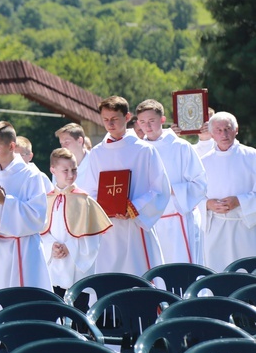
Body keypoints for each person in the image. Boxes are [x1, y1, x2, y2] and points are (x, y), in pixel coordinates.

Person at [76, 96, 170, 276]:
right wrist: (105, 209)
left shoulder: (144, 150)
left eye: (114, 119)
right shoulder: (97, 153)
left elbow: (160, 189)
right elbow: (91, 192)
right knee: (111, 278)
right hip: (109, 228)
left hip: (136, 225)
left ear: (127, 118)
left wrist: (134, 207)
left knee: (140, 275)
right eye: (105, 120)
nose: (110, 124)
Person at [0, 121, 52, 292]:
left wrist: (6, 201)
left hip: (26, 249)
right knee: (3, 301)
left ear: (12, 146)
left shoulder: (31, 175)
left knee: (30, 299)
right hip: (0, 252)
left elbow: (38, 217)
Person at [136, 99, 207, 264]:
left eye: (152, 121)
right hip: (150, 222)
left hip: (178, 219)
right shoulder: (139, 150)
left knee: (183, 270)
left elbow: (200, 183)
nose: (147, 126)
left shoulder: (181, 147)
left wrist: (171, 189)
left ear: (162, 119)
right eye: (142, 122)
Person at [41, 148, 111, 309]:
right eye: (65, 170)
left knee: (79, 310)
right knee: (56, 307)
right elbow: (42, 231)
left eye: (74, 170)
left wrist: (70, 247)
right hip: (55, 264)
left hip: (77, 265)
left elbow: (93, 236)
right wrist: (51, 246)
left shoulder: (84, 200)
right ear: (53, 170)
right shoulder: (47, 199)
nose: (70, 175)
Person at [200, 112, 256, 271]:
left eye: (227, 129)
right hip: (216, 227)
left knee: (247, 272)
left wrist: (239, 201)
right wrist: (208, 204)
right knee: (218, 272)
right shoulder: (203, 161)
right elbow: (195, 195)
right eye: (218, 130)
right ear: (211, 134)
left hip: (245, 227)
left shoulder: (252, 156)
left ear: (236, 130)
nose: (223, 134)